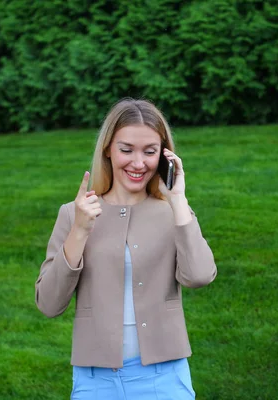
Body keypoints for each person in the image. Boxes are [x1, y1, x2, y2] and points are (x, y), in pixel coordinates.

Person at [35, 98, 217, 400]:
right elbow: (49, 304)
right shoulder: (74, 213)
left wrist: (179, 199)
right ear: (108, 149)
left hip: (165, 377)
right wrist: (79, 230)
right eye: (126, 149)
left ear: (164, 155)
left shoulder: (175, 212)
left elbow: (199, 275)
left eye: (150, 151)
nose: (138, 163)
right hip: (95, 381)